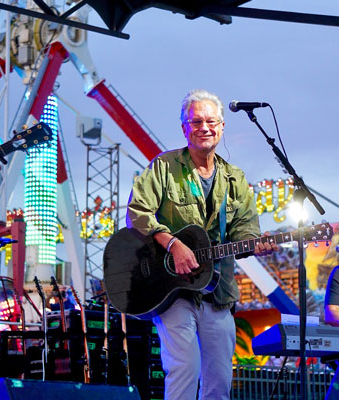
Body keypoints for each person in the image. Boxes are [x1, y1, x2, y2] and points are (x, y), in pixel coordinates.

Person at [126, 89, 277, 400]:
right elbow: (137, 213)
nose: (204, 127)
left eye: (211, 121)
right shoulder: (164, 167)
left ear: (222, 127)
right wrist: (172, 245)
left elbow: (244, 231)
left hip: (218, 293)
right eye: (195, 122)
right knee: (184, 368)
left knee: (219, 381)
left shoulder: (235, 179)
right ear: (184, 128)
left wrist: (255, 243)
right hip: (173, 291)